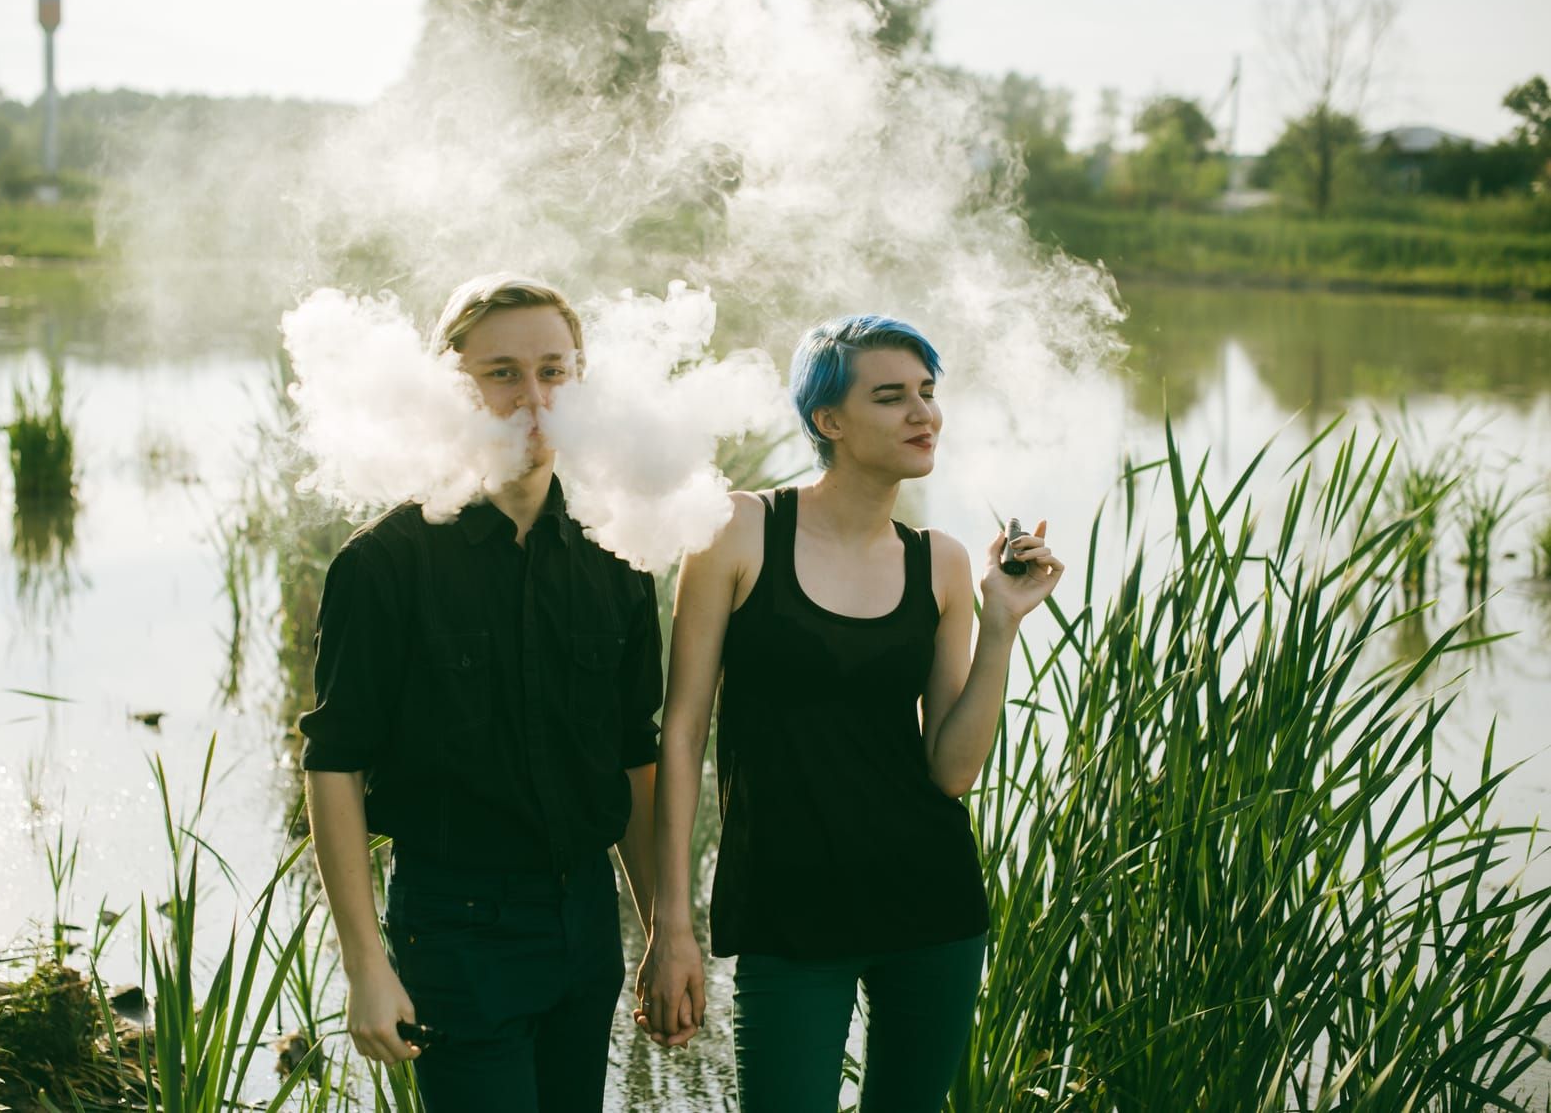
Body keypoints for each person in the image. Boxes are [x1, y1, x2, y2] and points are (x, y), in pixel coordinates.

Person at [634, 315, 1064, 1111]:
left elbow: (952, 771)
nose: (923, 415)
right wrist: (673, 924)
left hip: (930, 908)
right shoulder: (738, 530)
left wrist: (1000, 622)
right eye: (892, 396)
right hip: (786, 911)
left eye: (929, 395)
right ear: (828, 421)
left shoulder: (941, 560)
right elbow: (684, 733)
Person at [300, 274, 662, 1113]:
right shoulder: (385, 562)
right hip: (456, 923)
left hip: (586, 921)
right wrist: (365, 966)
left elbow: (633, 754)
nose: (533, 398)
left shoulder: (619, 554)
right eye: (501, 374)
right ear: (447, 393)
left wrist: (663, 930)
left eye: (554, 371)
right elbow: (335, 763)